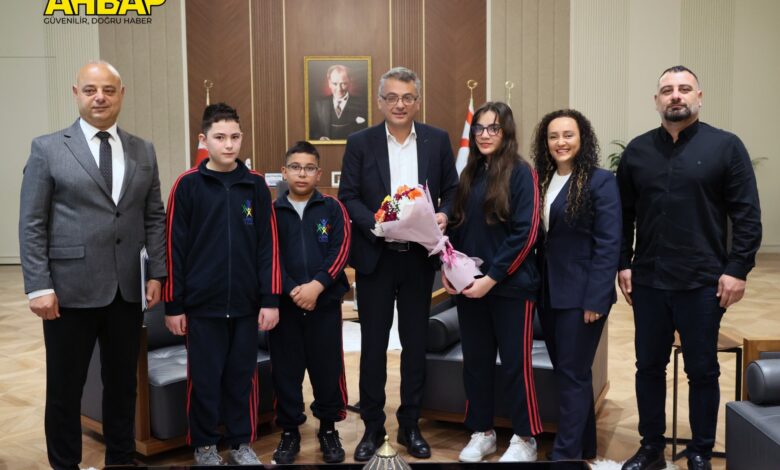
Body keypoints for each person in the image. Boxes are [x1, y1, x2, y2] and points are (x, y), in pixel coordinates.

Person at [18, 60, 166, 470]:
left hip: (126, 290)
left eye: (108, 90)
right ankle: (65, 464)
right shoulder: (47, 148)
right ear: (76, 94)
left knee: (122, 385)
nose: (99, 97)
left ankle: (120, 460)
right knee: (65, 389)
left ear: (121, 94)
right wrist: (39, 286)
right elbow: (32, 222)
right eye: (90, 90)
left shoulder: (143, 150)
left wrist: (157, 272)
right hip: (68, 291)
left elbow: (153, 215)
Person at [617, 66, 761, 470]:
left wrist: (738, 268)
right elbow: (623, 214)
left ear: (699, 96)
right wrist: (623, 263)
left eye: (684, 89)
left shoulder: (726, 147)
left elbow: (747, 215)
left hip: (703, 281)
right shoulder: (637, 151)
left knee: (702, 370)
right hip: (649, 280)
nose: (675, 95)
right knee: (648, 367)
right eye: (667, 90)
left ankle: (699, 450)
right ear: (656, 101)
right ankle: (651, 448)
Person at [338, 66, 458, 461]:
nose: (400, 104)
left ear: (417, 101)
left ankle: (410, 425)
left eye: (407, 97)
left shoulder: (437, 140)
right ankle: (372, 427)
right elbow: (348, 195)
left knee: (414, 344)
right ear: (380, 102)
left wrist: (444, 214)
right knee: (373, 347)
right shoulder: (360, 142)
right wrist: (373, 223)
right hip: (376, 258)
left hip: (418, 260)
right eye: (392, 97)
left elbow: (452, 191)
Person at [164, 103, 281, 466]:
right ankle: (204, 445)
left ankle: (241, 443)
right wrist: (174, 304)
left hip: (246, 305)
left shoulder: (255, 184)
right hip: (202, 306)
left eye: (234, 137)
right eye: (219, 137)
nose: (228, 145)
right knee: (204, 379)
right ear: (204, 140)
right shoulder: (187, 185)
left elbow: (268, 246)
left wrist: (270, 299)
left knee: (242, 377)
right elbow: (173, 248)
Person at [442, 101, 542, 463]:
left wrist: (492, 278)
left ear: (506, 132)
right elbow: (456, 229)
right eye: (479, 128)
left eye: (493, 128)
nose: (485, 135)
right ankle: (482, 431)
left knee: (515, 365)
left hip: (512, 288)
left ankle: (525, 438)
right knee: (476, 363)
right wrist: (449, 270)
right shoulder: (468, 174)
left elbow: (526, 234)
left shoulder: (521, 173)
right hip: (470, 288)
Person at [530, 109, 621, 461]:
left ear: (582, 138)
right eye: (553, 136)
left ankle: (564, 455)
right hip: (549, 293)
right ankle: (584, 447)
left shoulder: (600, 181)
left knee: (572, 373)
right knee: (569, 373)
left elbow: (608, 243)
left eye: (568, 135)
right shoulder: (543, 180)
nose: (561, 142)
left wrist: (596, 298)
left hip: (583, 295)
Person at [270, 141, 351, 464]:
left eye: (308, 168)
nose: (301, 173)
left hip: (324, 304)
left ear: (318, 174)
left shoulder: (333, 208)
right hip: (285, 307)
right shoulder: (272, 212)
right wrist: (293, 290)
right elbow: (268, 255)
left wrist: (316, 287)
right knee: (286, 371)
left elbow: (341, 249)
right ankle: (289, 431)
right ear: (284, 172)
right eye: (295, 167)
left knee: (327, 368)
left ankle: (328, 429)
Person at [310, 64, 368, 141]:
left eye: (343, 83)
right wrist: (319, 138)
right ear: (329, 83)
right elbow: (312, 131)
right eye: (335, 84)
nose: (339, 89)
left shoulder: (363, 104)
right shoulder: (319, 105)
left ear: (350, 82)